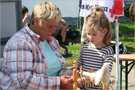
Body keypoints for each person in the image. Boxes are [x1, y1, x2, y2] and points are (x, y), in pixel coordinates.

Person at [0, 2, 73, 89]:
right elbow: (24, 82)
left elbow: (58, 71)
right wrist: (59, 83)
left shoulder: (52, 41)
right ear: (36, 21)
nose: (54, 31)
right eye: (50, 26)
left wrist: (72, 76)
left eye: (55, 26)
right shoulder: (20, 42)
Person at [77, 6, 114, 89]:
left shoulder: (107, 51)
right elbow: (79, 68)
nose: (90, 37)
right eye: (88, 34)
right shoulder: (85, 48)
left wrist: (84, 82)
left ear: (104, 31)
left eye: (94, 34)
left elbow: (104, 76)